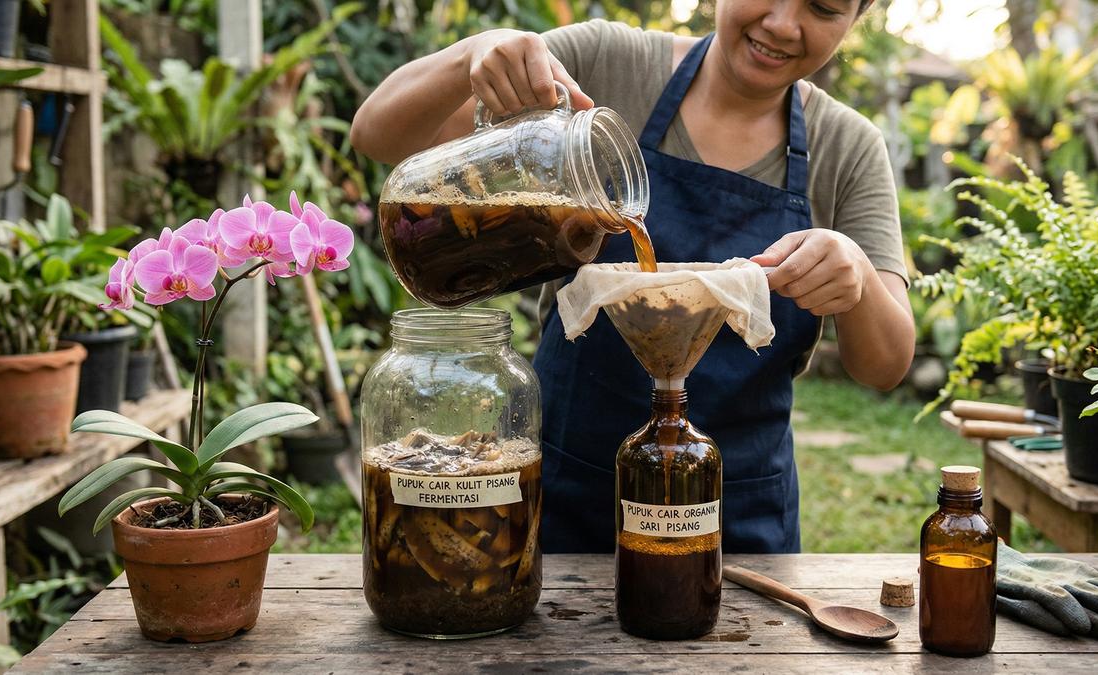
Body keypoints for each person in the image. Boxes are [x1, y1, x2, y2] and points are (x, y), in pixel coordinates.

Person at [351, 0, 916, 554]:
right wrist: (471, 54)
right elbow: (378, 137)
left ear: (855, 19)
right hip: (566, 492)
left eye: (823, 8)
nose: (784, 24)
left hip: (732, 520)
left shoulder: (847, 147)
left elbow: (885, 364)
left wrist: (857, 272)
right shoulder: (604, 65)